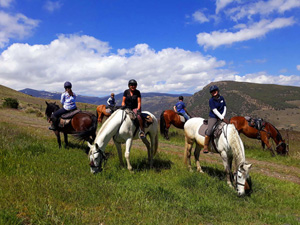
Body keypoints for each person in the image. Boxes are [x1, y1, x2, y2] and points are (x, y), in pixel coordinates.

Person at [203, 85, 228, 153]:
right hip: (213, 117)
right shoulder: (211, 100)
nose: (213, 92)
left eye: (215, 91)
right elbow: (214, 110)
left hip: (222, 116)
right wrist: (222, 118)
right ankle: (205, 146)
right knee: (210, 130)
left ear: (217, 91)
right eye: (212, 92)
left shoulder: (222, 98)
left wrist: (223, 116)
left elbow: (225, 107)